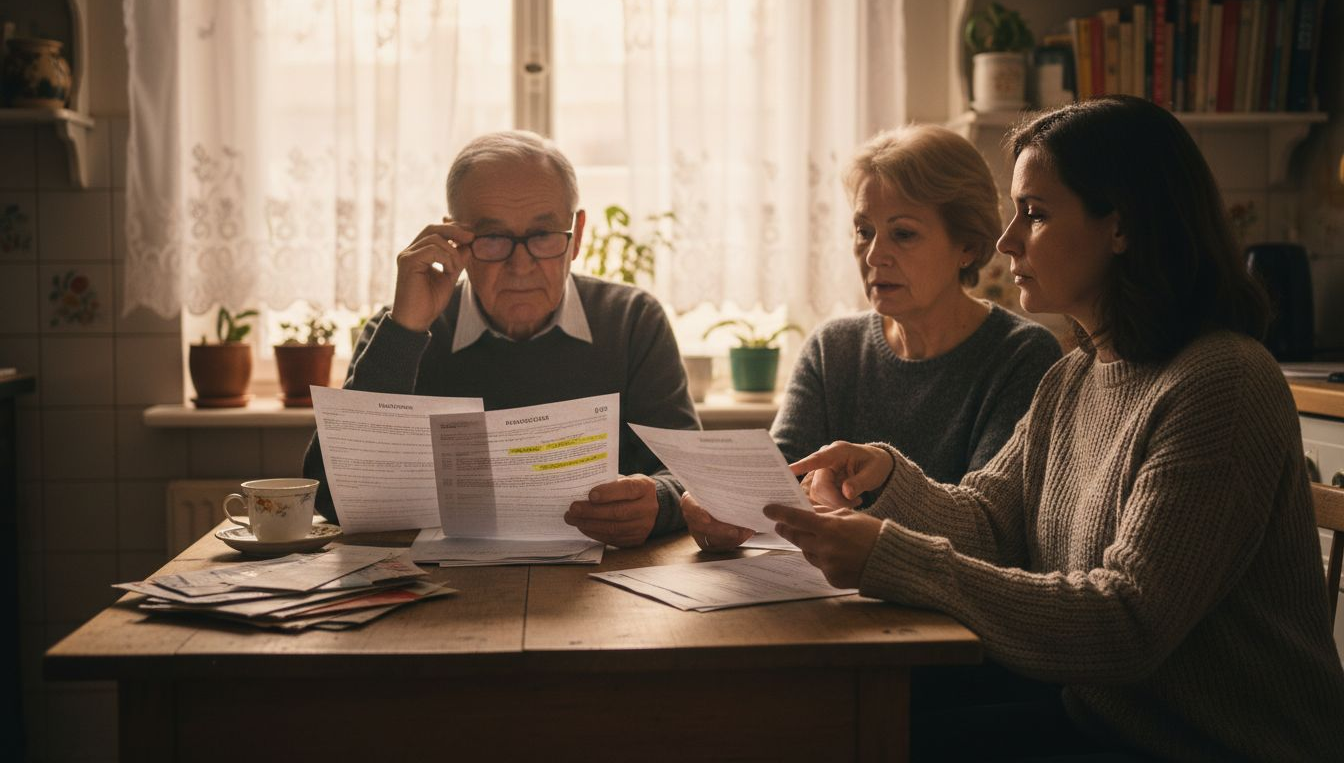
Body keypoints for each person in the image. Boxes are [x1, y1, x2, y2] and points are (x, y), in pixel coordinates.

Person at [766, 96, 1344, 760]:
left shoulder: (1221, 384)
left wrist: (889, 557)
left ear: (1119, 226)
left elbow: (1128, 623)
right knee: (841, 730)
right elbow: (991, 520)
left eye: (1034, 214)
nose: (1007, 240)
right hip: (1102, 722)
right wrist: (888, 477)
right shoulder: (1075, 376)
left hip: (1209, 745)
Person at [302, 130, 699, 547]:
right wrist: (405, 331)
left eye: (543, 235)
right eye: (493, 238)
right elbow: (326, 496)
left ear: (577, 236)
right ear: (455, 239)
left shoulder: (632, 321)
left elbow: (692, 477)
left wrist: (656, 501)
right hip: (441, 590)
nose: (521, 265)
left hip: (604, 587)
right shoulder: (404, 327)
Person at [683, 124, 1060, 551]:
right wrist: (720, 503)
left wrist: (848, 516)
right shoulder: (833, 347)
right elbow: (779, 479)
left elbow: (987, 530)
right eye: (864, 231)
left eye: (903, 233)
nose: (875, 255)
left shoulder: (1022, 355)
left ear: (968, 247)